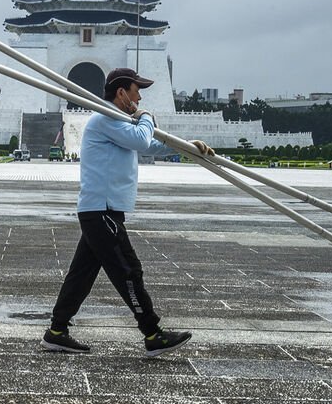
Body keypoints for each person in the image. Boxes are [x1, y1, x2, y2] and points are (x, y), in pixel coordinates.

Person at [42, 67, 214, 357]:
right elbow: (141, 140)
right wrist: (145, 117)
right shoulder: (105, 118)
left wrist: (188, 148)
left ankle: (57, 332)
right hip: (103, 211)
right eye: (137, 90)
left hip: (100, 211)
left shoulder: (118, 122)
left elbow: (151, 146)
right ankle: (152, 333)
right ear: (122, 93)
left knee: (81, 275)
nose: (140, 96)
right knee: (128, 272)